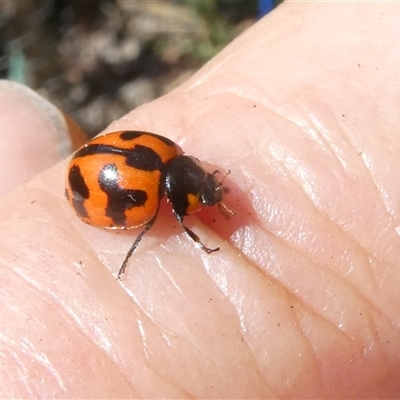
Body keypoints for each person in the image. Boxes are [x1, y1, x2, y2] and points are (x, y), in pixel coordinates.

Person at [1, 2, 399, 397]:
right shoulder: (159, 185)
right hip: (89, 180)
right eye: (204, 189)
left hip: (105, 165)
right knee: (144, 218)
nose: (210, 191)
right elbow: (170, 208)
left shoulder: (169, 154)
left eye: (206, 184)